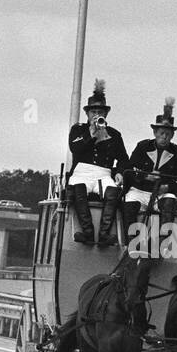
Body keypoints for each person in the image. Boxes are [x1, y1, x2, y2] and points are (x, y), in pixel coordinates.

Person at [67, 79, 129, 245]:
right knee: (78, 189)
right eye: (93, 111)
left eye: (99, 112)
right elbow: (75, 149)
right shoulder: (78, 129)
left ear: (105, 114)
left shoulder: (114, 134)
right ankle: (87, 231)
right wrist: (91, 134)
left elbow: (124, 159)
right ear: (87, 114)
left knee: (113, 192)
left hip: (104, 173)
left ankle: (104, 234)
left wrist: (119, 173)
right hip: (82, 171)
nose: (96, 115)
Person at [124, 97, 177, 226]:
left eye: (168, 134)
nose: (164, 137)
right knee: (128, 203)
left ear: (172, 135)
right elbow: (129, 169)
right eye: (162, 133)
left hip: (162, 194)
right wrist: (146, 176)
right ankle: (129, 243)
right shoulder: (142, 146)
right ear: (155, 132)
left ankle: (164, 241)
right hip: (139, 191)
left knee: (171, 201)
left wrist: (167, 187)